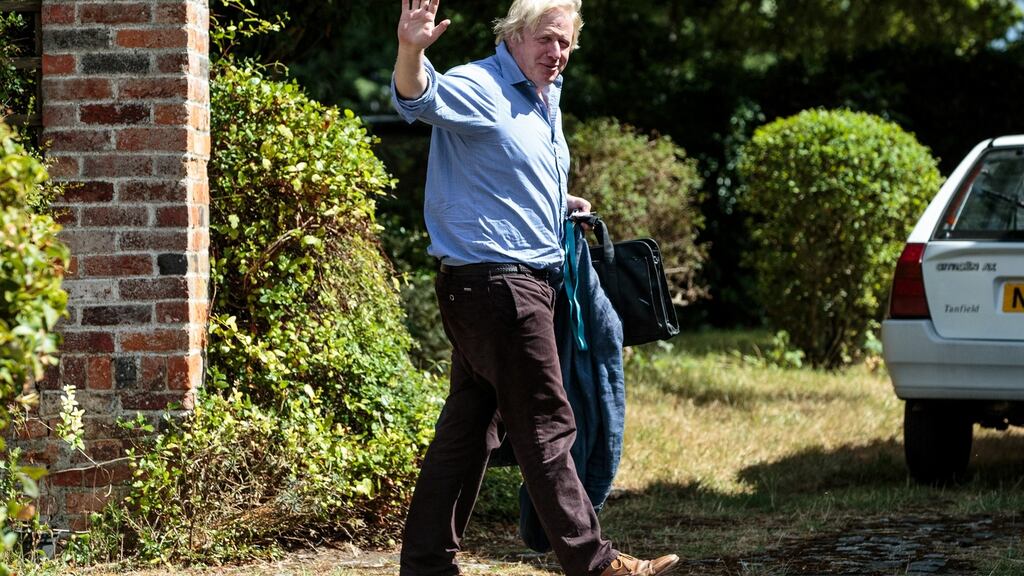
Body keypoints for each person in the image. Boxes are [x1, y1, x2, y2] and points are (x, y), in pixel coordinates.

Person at [391, 1, 681, 574]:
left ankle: (425, 564)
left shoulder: (544, 96)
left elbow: (507, 171)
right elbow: (418, 96)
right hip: (500, 287)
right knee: (547, 422)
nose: (557, 53)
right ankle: (595, 564)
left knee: (469, 428)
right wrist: (410, 51)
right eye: (547, 39)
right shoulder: (482, 85)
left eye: (566, 43)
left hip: (501, 286)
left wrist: (558, 203)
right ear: (516, 35)